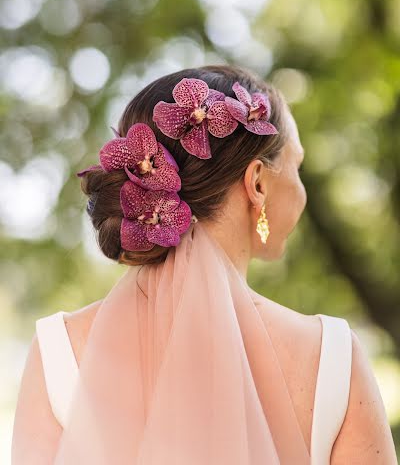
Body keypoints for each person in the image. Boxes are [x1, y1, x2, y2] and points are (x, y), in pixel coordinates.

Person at [12, 65, 397, 464]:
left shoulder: (59, 350)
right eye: (296, 166)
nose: (301, 189)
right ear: (258, 184)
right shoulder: (331, 356)